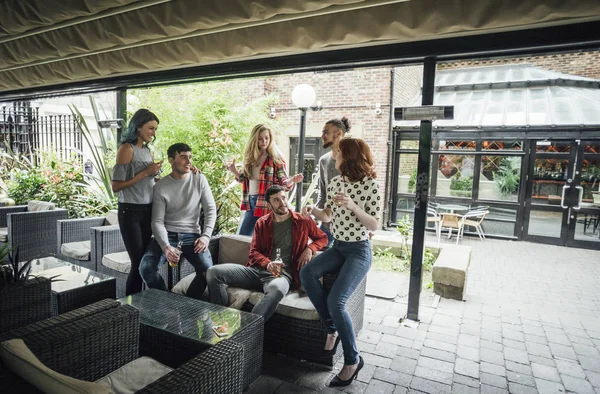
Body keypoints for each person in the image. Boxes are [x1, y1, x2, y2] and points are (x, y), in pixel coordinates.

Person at [300, 138, 381, 387]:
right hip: (339, 247)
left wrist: (353, 205)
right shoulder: (336, 182)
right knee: (308, 273)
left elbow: (374, 225)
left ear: (350, 156)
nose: (334, 155)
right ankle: (331, 327)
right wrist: (313, 210)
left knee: (337, 300)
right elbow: (327, 215)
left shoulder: (371, 185)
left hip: (359, 251)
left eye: (338, 152)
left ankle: (352, 361)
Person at [206, 185, 327, 321]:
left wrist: (310, 249)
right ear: (269, 205)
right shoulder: (262, 223)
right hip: (255, 272)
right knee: (213, 272)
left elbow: (323, 238)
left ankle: (249, 327)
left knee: (277, 289)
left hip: (281, 276)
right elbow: (254, 252)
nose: (282, 203)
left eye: (283, 198)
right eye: (276, 200)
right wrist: (268, 263)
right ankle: (220, 318)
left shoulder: (303, 221)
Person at [139, 143, 216, 299]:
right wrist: (166, 247)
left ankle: (187, 303)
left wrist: (206, 236)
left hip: (193, 236)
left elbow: (210, 210)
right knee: (146, 269)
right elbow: (157, 222)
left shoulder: (199, 179)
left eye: (190, 157)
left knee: (207, 271)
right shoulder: (161, 187)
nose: (188, 162)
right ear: (171, 160)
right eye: (183, 157)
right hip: (167, 235)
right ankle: (170, 302)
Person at [112, 109, 162, 296]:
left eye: (155, 129)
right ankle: (130, 309)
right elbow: (116, 186)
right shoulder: (126, 149)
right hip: (129, 212)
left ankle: (142, 305)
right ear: (138, 126)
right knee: (138, 262)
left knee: (143, 264)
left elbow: (146, 182)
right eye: (150, 128)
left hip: (147, 211)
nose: (153, 133)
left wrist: (155, 177)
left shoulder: (146, 151)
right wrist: (146, 173)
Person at [226, 124, 303, 236]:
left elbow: (283, 182)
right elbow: (246, 179)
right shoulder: (251, 157)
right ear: (254, 140)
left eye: (266, 138)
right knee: (242, 237)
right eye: (260, 139)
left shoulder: (275, 158)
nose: (264, 141)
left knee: (264, 238)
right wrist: (234, 171)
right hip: (251, 202)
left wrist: (292, 180)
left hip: (266, 203)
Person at [312, 117, 351, 248]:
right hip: (327, 226)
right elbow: (323, 195)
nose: (322, 136)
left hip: (349, 227)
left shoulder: (353, 159)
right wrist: (314, 218)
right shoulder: (324, 160)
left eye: (325, 132)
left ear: (338, 133)